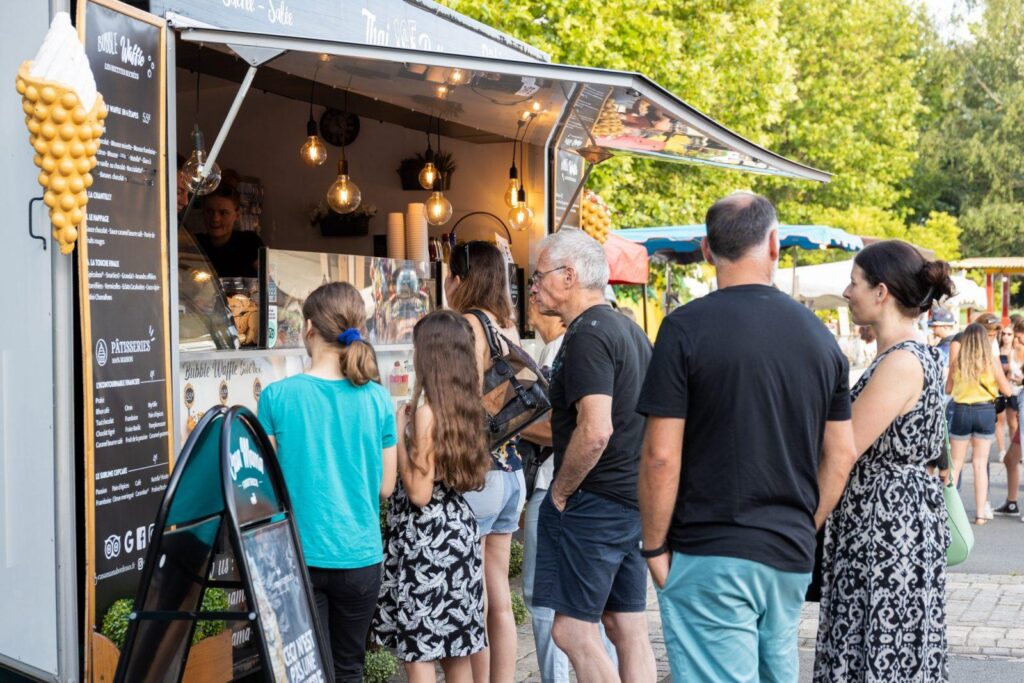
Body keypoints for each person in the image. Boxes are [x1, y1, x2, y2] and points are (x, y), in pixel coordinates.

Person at [635, 192, 855, 683]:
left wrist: (652, 549)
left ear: (707, 249)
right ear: (774, 244)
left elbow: (660, 457)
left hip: (710, 550)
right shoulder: (820, 339)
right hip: (788, 555)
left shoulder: (683, 329)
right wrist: (802, 522)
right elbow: (841, 454)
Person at [813, 240, 955, 681]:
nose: (846, 291)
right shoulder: (908, 355)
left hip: (885, 525)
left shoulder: (901, 361)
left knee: (876, 638)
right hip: (893, 519)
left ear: (881, 291)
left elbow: (847, 443)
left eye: (854, 283)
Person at [530, 228, 657, 682]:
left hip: (596, 502)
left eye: (538, 276)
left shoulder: (586, 335)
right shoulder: (629, 328)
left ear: (568, 276)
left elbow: (596, 428)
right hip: (631, 499)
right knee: (627, 626)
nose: (534, 287)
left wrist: (560, 493)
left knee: (572, 633)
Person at [256, 281, 397, 682]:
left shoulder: (277, 397)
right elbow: (386, 488)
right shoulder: (377, 398)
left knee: (306, 673)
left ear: (308, 328)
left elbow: (263, 488)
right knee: (349, 668)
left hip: (298, 557)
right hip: (361, 557)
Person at [373, 310, 491, 682]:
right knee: (457, 649)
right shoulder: (469, 404)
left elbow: (419, 493)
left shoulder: (426, 414)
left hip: (428, 540)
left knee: (418, 649)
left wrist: (398, 433)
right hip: (458, 530)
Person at [520, 301, 617, 682]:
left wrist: (512, 424)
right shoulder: (563, 346)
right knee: (595, 613)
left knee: (549, 605)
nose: (533, 294)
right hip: (587, 492)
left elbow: (583, 429)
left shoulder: (570, 347)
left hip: (559, 485)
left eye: (538, 283)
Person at [445, 240, 526, 683]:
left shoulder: (465, 327)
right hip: (513, 472)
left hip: (478, 476)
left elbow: (461, 402)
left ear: (460, 278)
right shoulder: (506, 327)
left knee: (470, 596)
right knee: (496, 591)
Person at [947, 322, 1014, 524]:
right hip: (985, 411)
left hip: (960, 410)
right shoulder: (991, 362)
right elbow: (1008, 391)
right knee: (979, 463)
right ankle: (980, 514)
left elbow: (947, 389)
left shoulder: (958, 362)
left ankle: (948, 513)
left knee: (956, 464)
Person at [195, 183, 264, 278]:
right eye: (209, 211)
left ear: (237, 215)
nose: (215, 218)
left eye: (223, 213)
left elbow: (270, 281)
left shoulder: (249, 242)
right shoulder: (195, 244)